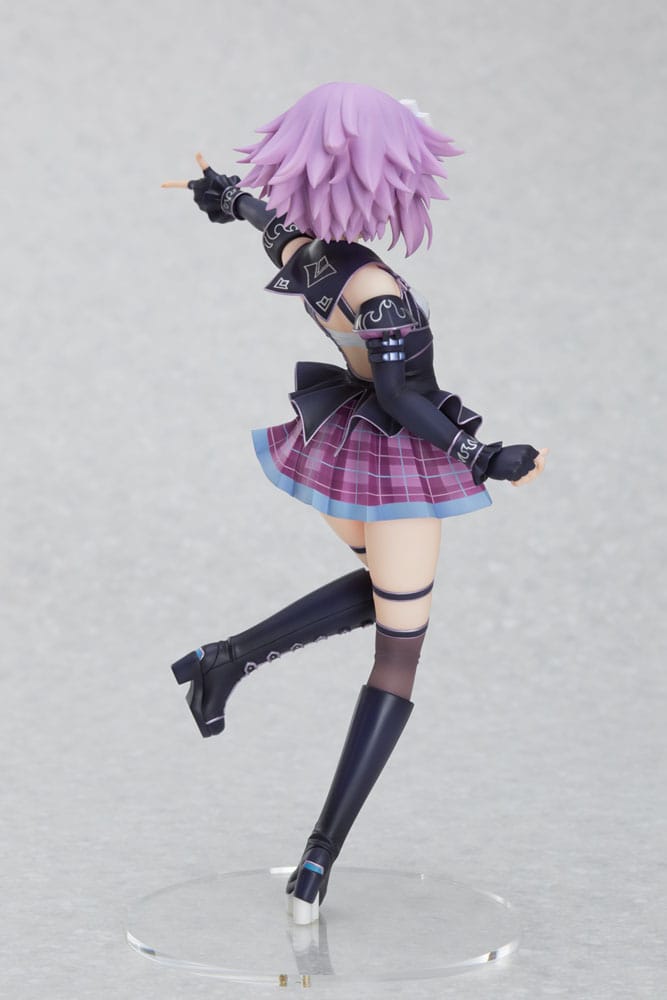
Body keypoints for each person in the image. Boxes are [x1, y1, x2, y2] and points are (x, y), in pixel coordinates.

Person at [163, 82, 547, 925]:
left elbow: (269, 225)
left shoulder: (313, 257)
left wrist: (230, 198)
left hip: (343, 450)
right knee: (400, 652)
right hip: (391, 464)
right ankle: (317, 858)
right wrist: (484, 456)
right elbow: (405, 396)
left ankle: (226, 660)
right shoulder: (373, 288)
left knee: (388, 598)